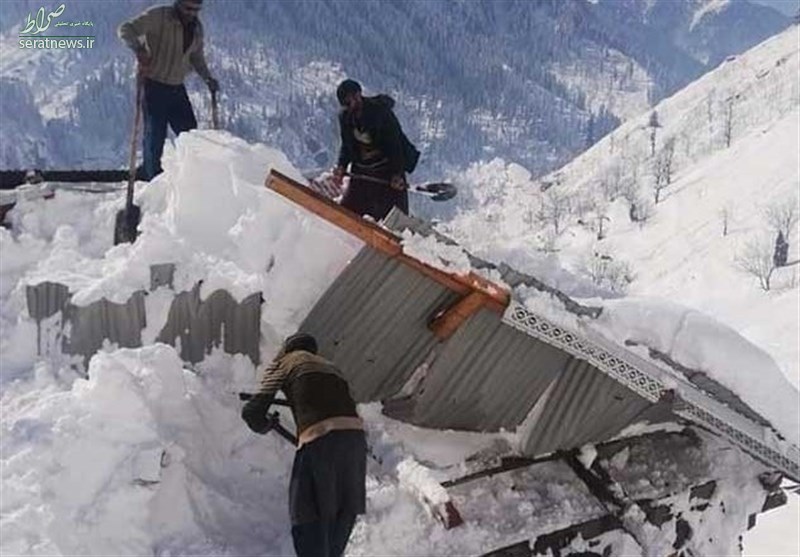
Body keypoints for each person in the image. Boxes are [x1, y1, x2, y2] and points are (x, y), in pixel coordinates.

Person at [241, 333, 367, 557]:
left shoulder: (287, 362)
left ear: (288, 349)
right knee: (341, 513)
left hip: (320, 438)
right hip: (356, 442)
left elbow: (252, 412)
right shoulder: (333, 368)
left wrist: (265, 425)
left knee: (306, 515)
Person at [118, 0, 219, 180]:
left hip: (176, 88)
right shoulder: (159, 16)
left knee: (190, 133)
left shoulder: (196, 29)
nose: (192, 13)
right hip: (153, 86)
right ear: (178, 4)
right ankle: (152, 179)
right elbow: (126, 29)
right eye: (188, 8)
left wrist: (207, 78)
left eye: (196, 10)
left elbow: (196, 57)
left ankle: (190, 177)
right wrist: (139, 49)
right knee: (155, 136)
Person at [333, 79, 419, 220]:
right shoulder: (345, 117)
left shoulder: (381, 112)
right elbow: (347, 145)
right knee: (348, 214)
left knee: (393, 219)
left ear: (358, 95)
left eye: (351, 101)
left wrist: (397, 173)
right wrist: (341, 166)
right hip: (362, 172)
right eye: (346, 104)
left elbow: (395, 145)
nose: (350, 106)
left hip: (386, 171)